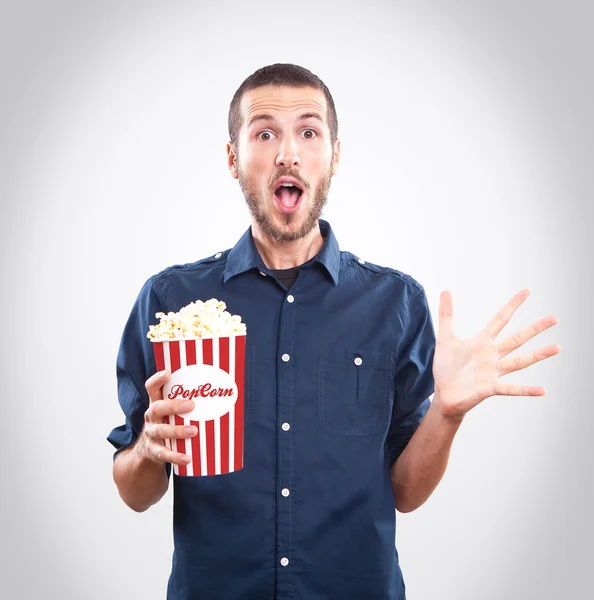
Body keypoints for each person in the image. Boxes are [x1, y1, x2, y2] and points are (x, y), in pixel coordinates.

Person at [107, 63, 561, 600]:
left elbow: (405, 491)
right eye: (265, 132)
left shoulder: (394, 303)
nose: (287, 153)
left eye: (308, 131)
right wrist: (146, 451)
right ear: (233, 158)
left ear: (335, 156)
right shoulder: (171, 303)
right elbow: (136, 493)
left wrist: (447, 412)